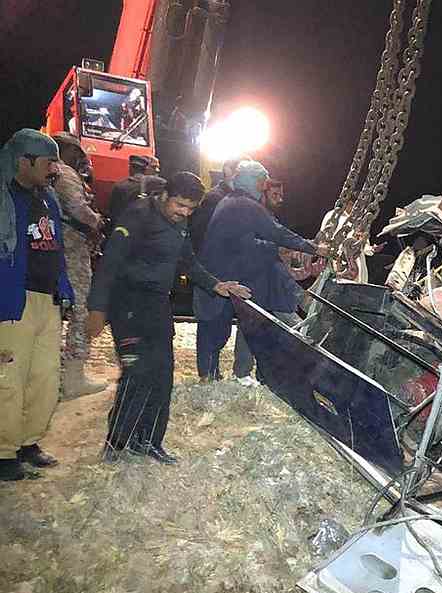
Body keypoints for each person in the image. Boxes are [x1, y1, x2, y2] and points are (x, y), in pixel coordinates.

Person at [86, 172, 250, 463]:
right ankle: (118, 444)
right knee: (137, 373)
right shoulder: (137, 216)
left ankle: (149, 440)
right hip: (128, 304)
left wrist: (216, 284)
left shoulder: (180, 223)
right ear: (165, 195)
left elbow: (187, 260)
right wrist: (97, 308)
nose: (184, 213)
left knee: (162, 375)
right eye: (180, 205)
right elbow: (109, 263)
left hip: (158, 305)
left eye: (190, 208)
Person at [195, 161, 330, 381]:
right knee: (215, 327)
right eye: (262, 183)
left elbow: (245, 242)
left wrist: (278, 249)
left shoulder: (230, 202)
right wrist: (313, 247)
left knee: (221, 326)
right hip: (223, 276)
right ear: (255, 182)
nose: (263, 188)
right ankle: (209, 377)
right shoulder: (245, 206)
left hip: (227, 273)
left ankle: (212, 375)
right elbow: (277, 233)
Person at [0, 129, 71, 481]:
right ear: (24, 161)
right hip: (12, 301)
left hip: (47, 299)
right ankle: (3, 452)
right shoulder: (4, 196)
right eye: (49, 162)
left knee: (44, 377)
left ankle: (28, 441)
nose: (55, 168)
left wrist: (65, 286)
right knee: (9, 378)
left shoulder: (48, 197)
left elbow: (54, 245)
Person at [50, 133, 108, 399]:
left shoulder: (51, 173)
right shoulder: (65, 174)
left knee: (55, 312)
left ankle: (52, 373)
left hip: (57, 252)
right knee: (81, 311)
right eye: (77, 152)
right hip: (71, 253)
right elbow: (77, 209)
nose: (81, 157)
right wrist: (97, 221)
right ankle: (73, 379)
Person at [319, 199, 383, 283]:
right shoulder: (332, 215)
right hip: (337, 259)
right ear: (349, 202)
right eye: (355, 205)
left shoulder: (361, 220)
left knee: (358, 288)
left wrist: (371, 249)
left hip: (356, 262)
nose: (357, 208)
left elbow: (364, 244)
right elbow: (323, 237)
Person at [189, 156, 243, 255]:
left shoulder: (236, 197)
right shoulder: (215, 198)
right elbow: (201, 233)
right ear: (228, 172)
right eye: (242, 174)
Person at [107, 154, 151, 221]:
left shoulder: (120, 186)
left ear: (131, 168)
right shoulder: (154, 186)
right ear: (145, 170)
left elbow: (113, 212)